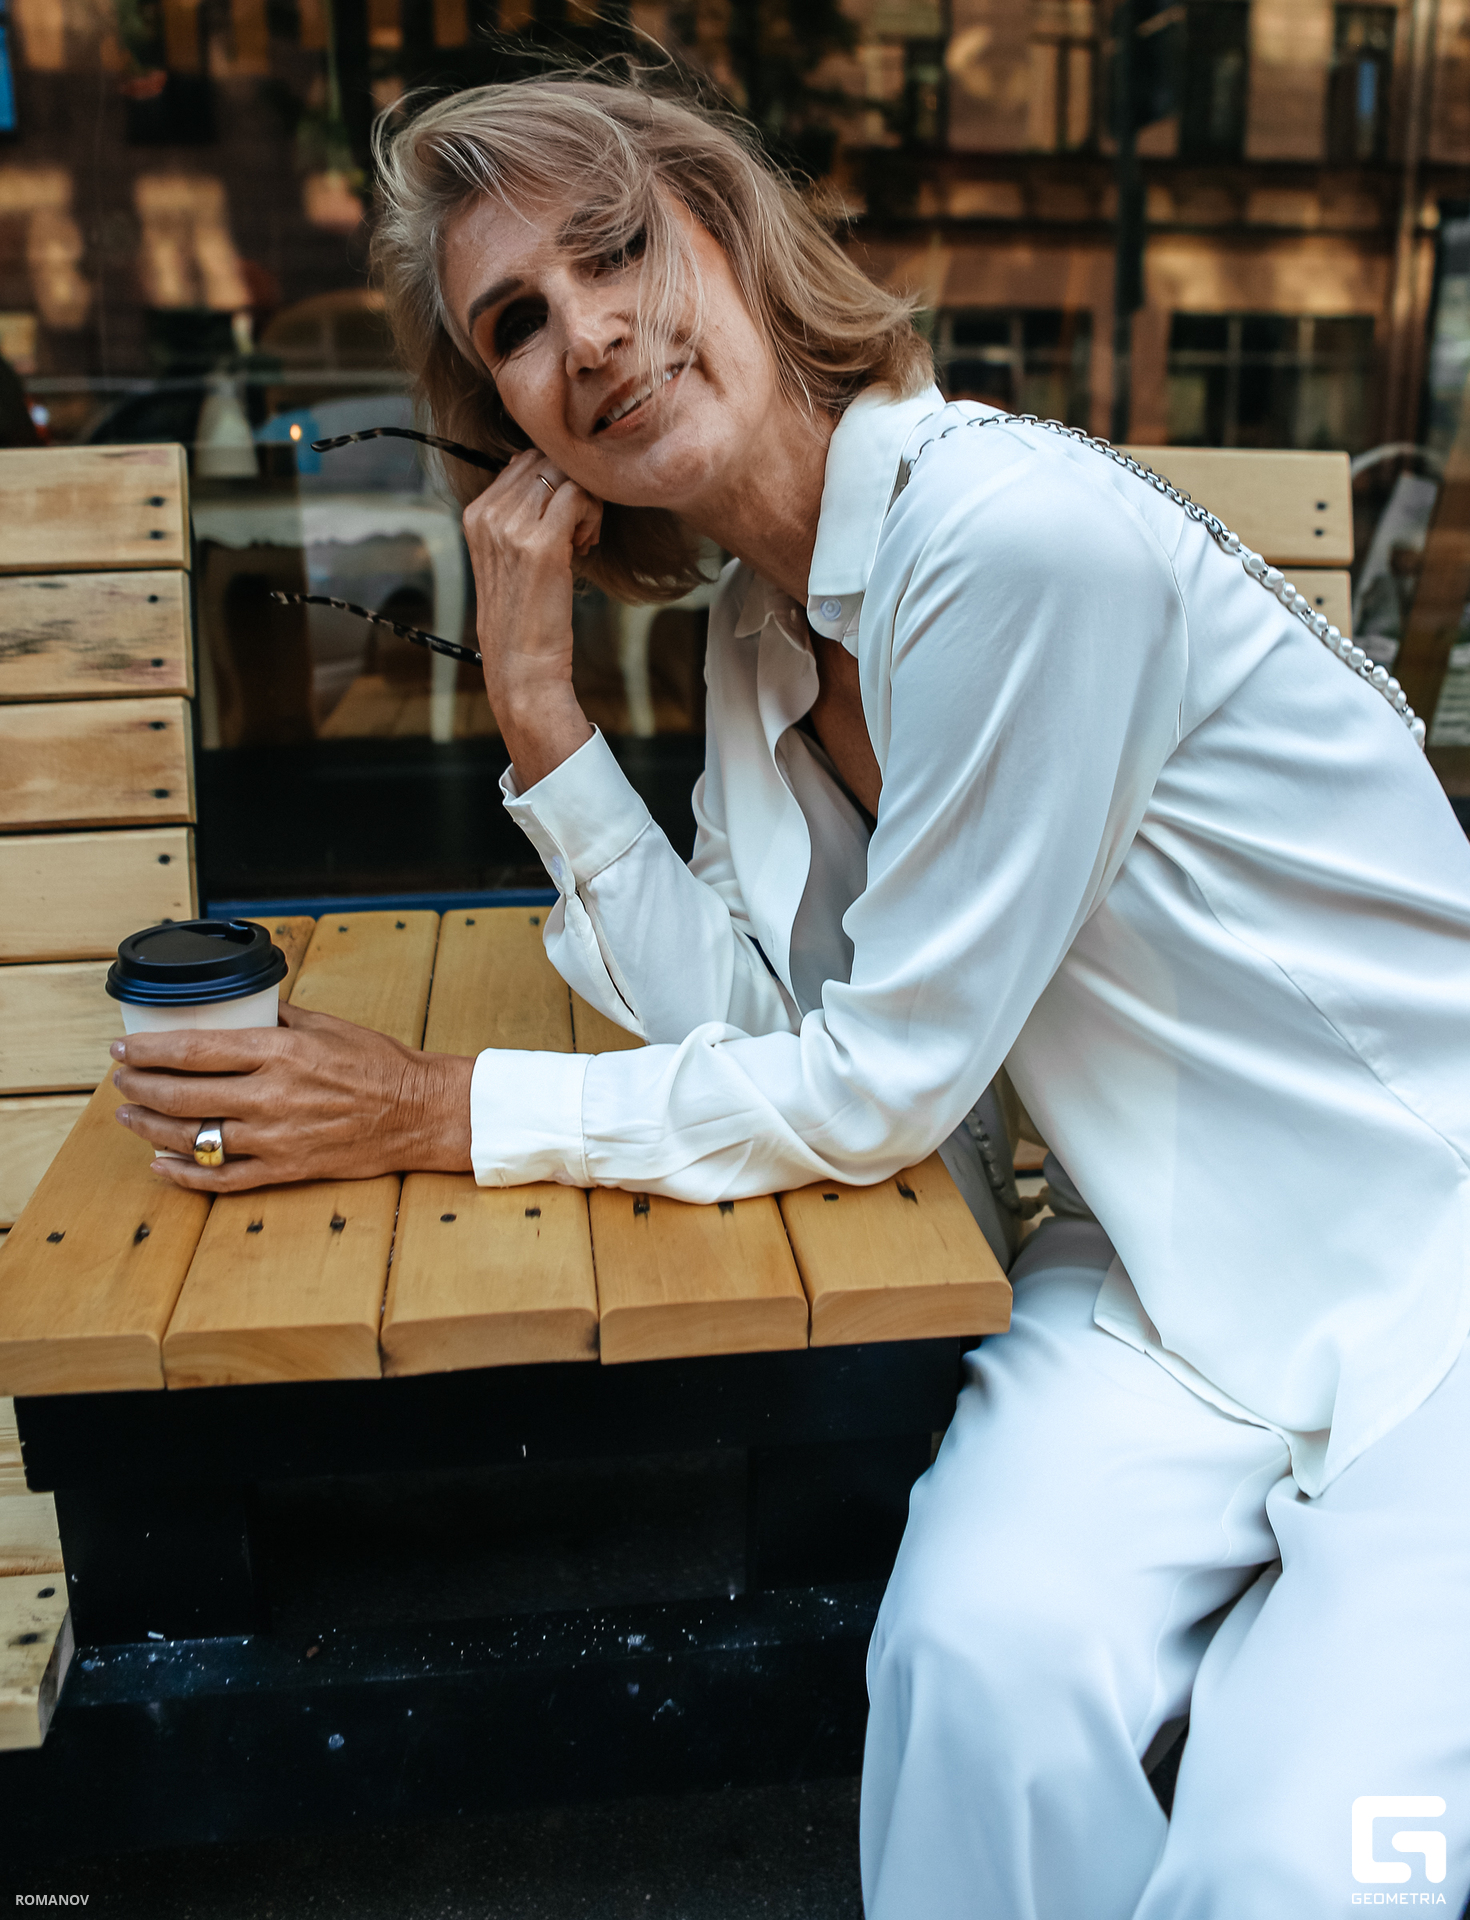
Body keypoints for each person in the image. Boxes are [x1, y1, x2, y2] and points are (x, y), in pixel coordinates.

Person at [109, 77, 1470, 1916]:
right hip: (1165, 1271)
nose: (588, 333)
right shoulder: (762, 631)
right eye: (517, 323)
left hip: (1429, 1269)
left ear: (739, 241)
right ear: (509, 427)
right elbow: (755, 1030)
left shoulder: (1008, 541)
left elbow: (876, 1087)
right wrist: (539, 710)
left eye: (617, 248)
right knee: (969, 1674)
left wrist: (435, 1107)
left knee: (1318, 1866)